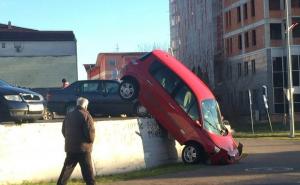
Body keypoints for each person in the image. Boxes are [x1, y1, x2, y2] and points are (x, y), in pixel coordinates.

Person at [57, 97, 96, 185]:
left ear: (77, 104)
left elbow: (63, 131)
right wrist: (90, 142)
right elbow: (90, 134)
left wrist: (70, 140)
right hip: (83, 149)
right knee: (89, 175)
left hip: (70, 148)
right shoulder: (86, 115)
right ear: (85, 106)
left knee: (65, 173)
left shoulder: (68, 115)